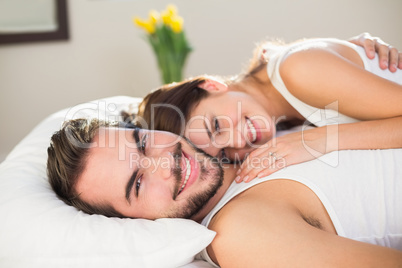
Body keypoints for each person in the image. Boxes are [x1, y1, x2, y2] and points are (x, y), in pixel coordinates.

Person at [46, 118, 402, 267]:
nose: (164, 162)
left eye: (142, 141)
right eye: (138, 184)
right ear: (132, 222)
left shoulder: (241, 137)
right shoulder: (240, 233)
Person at [133, 33, 402, 183]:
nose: (239, 141)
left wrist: (319, 140)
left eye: (216, 125)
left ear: (211, 86)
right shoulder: (285, 103)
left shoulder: (298, 70)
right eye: (224, 152)